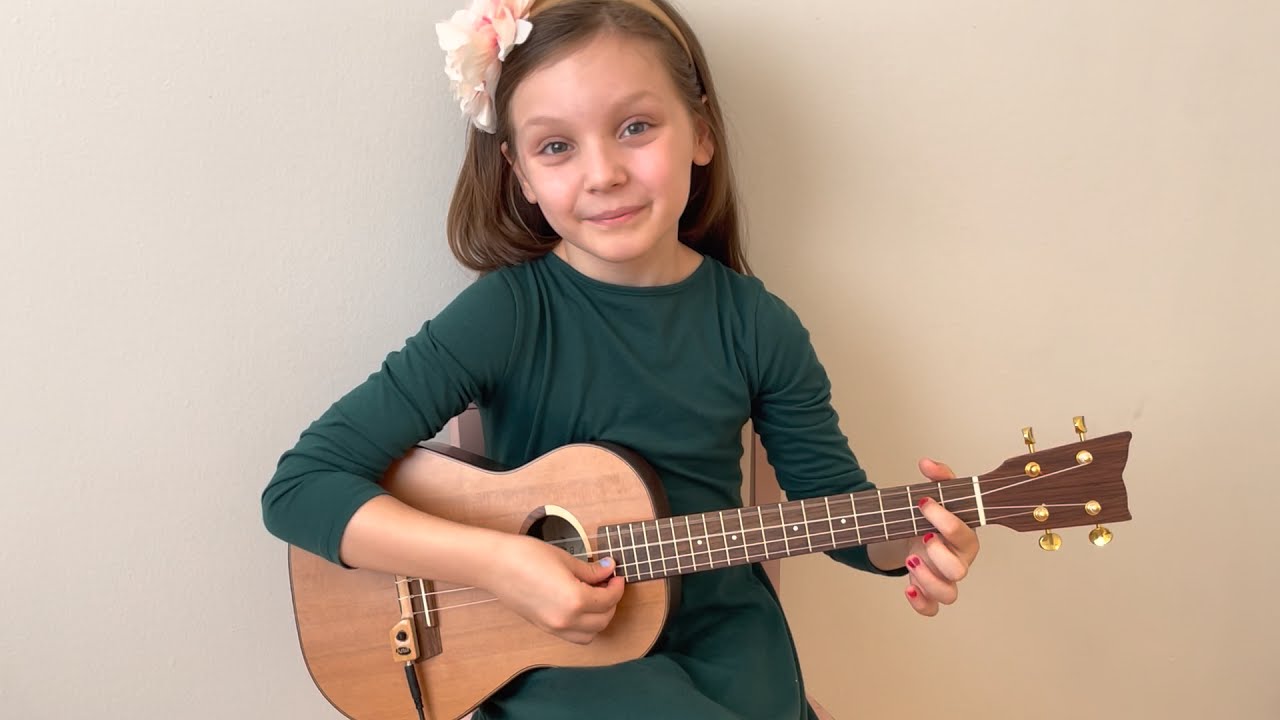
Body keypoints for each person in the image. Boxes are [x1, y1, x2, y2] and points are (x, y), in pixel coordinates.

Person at [261, 0, 980, 718]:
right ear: (518, 172)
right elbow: (301, 488)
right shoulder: (507, 315)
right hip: (561, 655)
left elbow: (835, 511)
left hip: (726, 639)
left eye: (635, 128)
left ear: (700, 133)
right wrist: (504, 565)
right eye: (556, 146)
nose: (602, 173)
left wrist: (914, 546)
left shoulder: (759, 325)